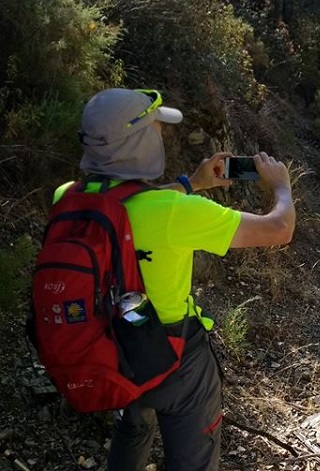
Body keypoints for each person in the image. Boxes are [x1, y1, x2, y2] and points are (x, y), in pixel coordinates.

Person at [71, 88, 296, 471]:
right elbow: (279, 229)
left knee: (132, 427)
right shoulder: (175, 212)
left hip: (110, 346)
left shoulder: (70, 198)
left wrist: (192, 182)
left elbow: (130, 203)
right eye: (157, 129)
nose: (163, 134)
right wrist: (281, 186)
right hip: (176, 357)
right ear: (139, 143)